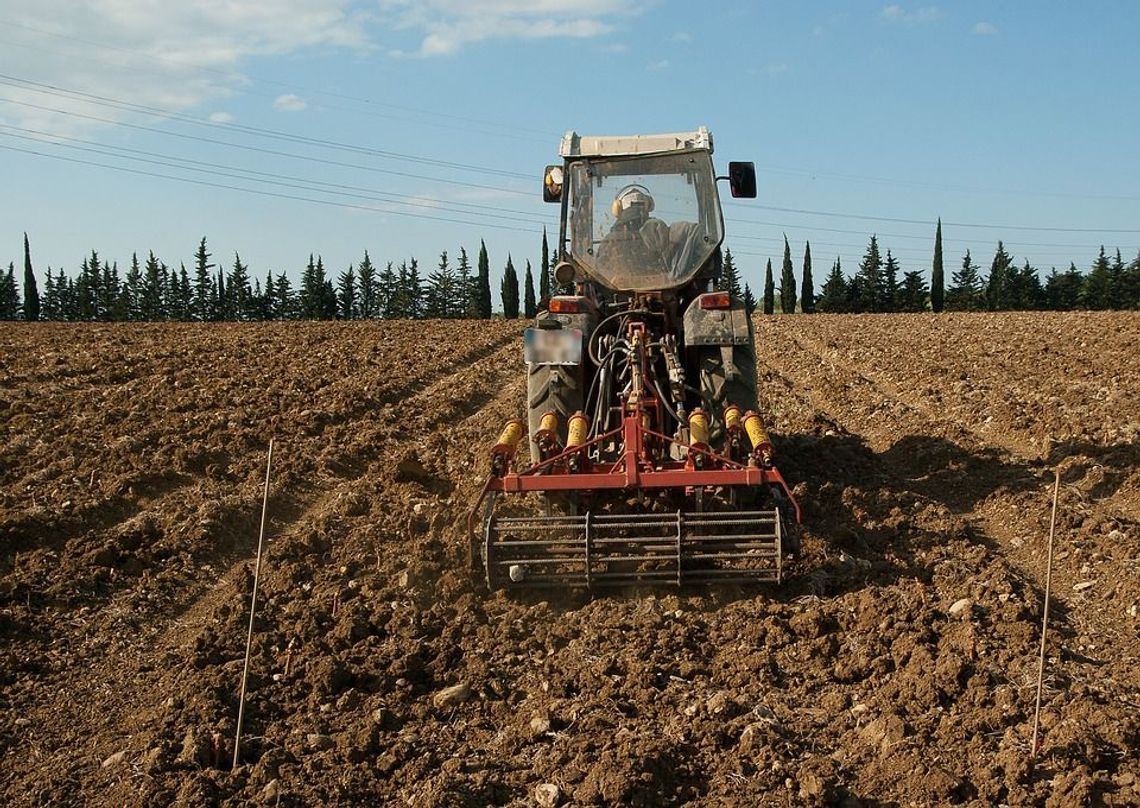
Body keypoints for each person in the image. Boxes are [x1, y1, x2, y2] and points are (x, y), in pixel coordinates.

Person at [597, 185, 701, 287]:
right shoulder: (661, 232)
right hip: (667, 294)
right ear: (648, 206)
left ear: (618, 209)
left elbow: (600, 272)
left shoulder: (609, 241)